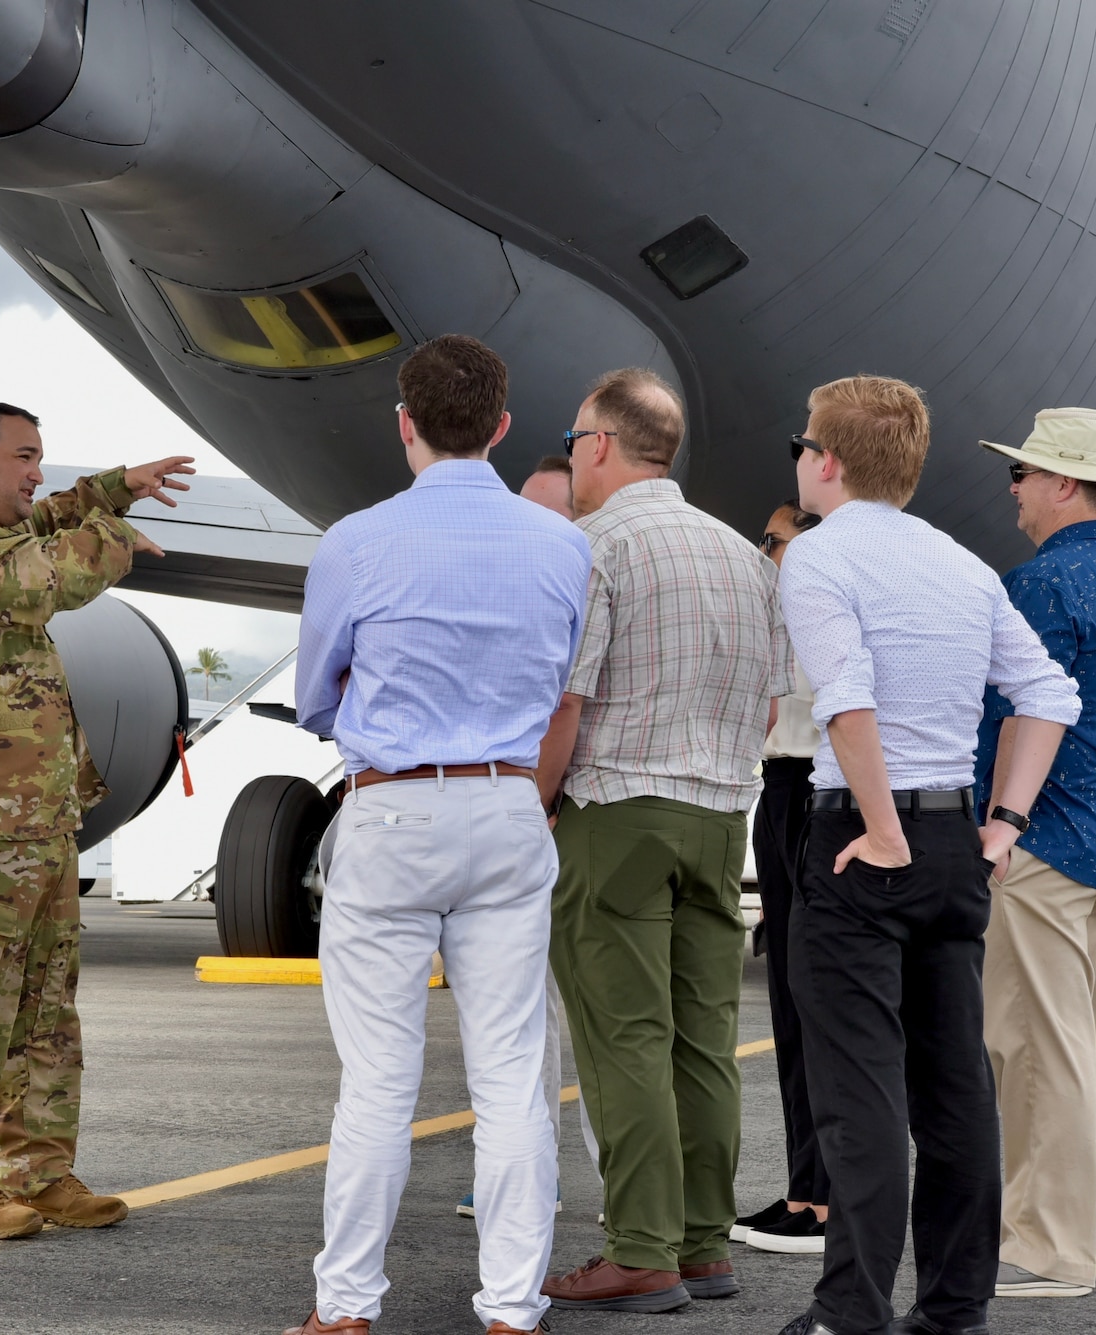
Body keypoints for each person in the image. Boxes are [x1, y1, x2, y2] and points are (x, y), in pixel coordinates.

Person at [289, 334, 590, 1335]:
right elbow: (553, 685)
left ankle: (345, 1307)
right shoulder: (562, 545)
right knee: (510, 1075)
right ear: (501, 428)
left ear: (403, 424)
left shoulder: (355, 541)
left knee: (377, 1079)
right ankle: (510, 1306)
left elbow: (315, 696)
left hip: (394, 804)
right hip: (508, 804)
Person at [773, 375, 1081, 1335]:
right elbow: (1049, 695)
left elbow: (846, 696)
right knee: (955, 1090)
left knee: (857, 1094)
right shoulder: (963, 565)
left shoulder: (819, 559)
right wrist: (1004, 824)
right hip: (956, 839)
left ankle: (849, 1311)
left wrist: (880, 826)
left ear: (825, 460)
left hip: (865, 834)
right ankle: (953, 1308)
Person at [0, 400, 193, 1240]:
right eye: (23, 455)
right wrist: (114, 536)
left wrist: (114, 490)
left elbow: (41, 526)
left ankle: (39, 1168)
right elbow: (41, 578)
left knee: (44, 1012)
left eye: (41, 457)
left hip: (37, 826)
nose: (36, 472)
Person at [536, 368, 791, 1313]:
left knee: (624, 1036)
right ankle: (703, 1245)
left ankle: (639, 1246)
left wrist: (537, 805)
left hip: (616, 811)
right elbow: (770, 705)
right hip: (722, 817)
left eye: (573, 442)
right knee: (704, 1040)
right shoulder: (745, 555)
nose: (572, 458)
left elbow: (568, 698)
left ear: (600, 443)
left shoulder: (590, 547)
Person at [973, 409, 1096, 1300]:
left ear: (1061, 482)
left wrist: (995, 819)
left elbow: (1024, 713)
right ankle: (1092, 1235)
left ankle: (1047, 1249)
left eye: (1022, 473)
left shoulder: (1040, 584)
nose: (1011, 488)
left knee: (1033, 1048)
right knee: (1090, 1046)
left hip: (1047, 833)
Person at [450, 458, 602, 1224]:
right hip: (514, 822)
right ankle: (517, 1177)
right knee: (515, 1013)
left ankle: (623, 1190)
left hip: (578, 816)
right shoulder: (504, 597)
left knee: (605, 1015)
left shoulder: (597, 589)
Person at [736, 503, 828, 1258]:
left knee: (806, 1001)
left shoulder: (805, 606)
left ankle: (818, 1197)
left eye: (771, 540)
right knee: (800, 1002)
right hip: (793, 790)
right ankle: (809, 1186)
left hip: (802, 790)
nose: (764, 552)